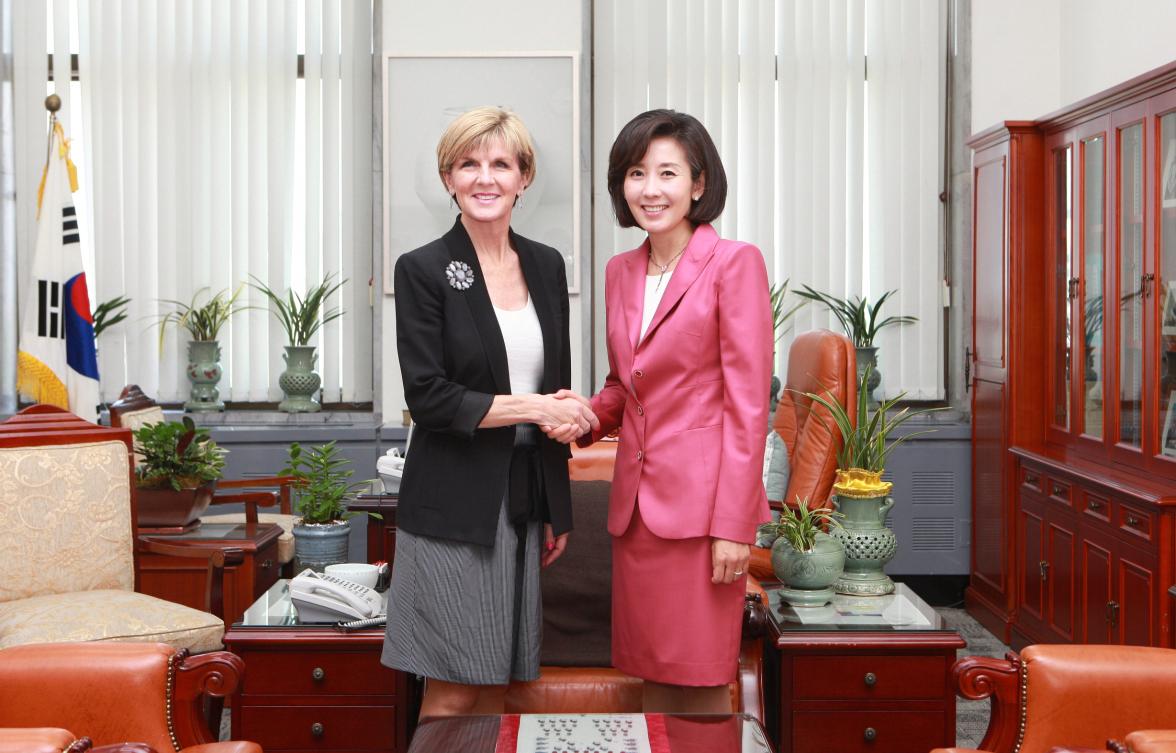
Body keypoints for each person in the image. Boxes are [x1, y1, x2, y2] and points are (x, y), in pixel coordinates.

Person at [381, 106, 599, 717]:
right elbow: (429, 397)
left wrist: (557, 505)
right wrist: (532, 407)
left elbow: (556, 390)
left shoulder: (547, 264)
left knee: (502, 683)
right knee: (453, 688)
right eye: (468, 163)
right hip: (455, 503)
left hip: (525, 500)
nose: (485, 177)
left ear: (523, 177)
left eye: (501, 163)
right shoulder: (423, 269)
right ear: (449, 178)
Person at [576, 108, 772, 711]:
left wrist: (735, 527)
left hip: (702, 514)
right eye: (637, 173)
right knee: (653, 681)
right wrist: (583, 414)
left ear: (699, 183)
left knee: (705, 681)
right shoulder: (620, 271)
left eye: (667, 172)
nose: (650, 189)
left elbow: (747, 407)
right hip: (637, 513)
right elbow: (624, 385)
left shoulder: (733, 264)